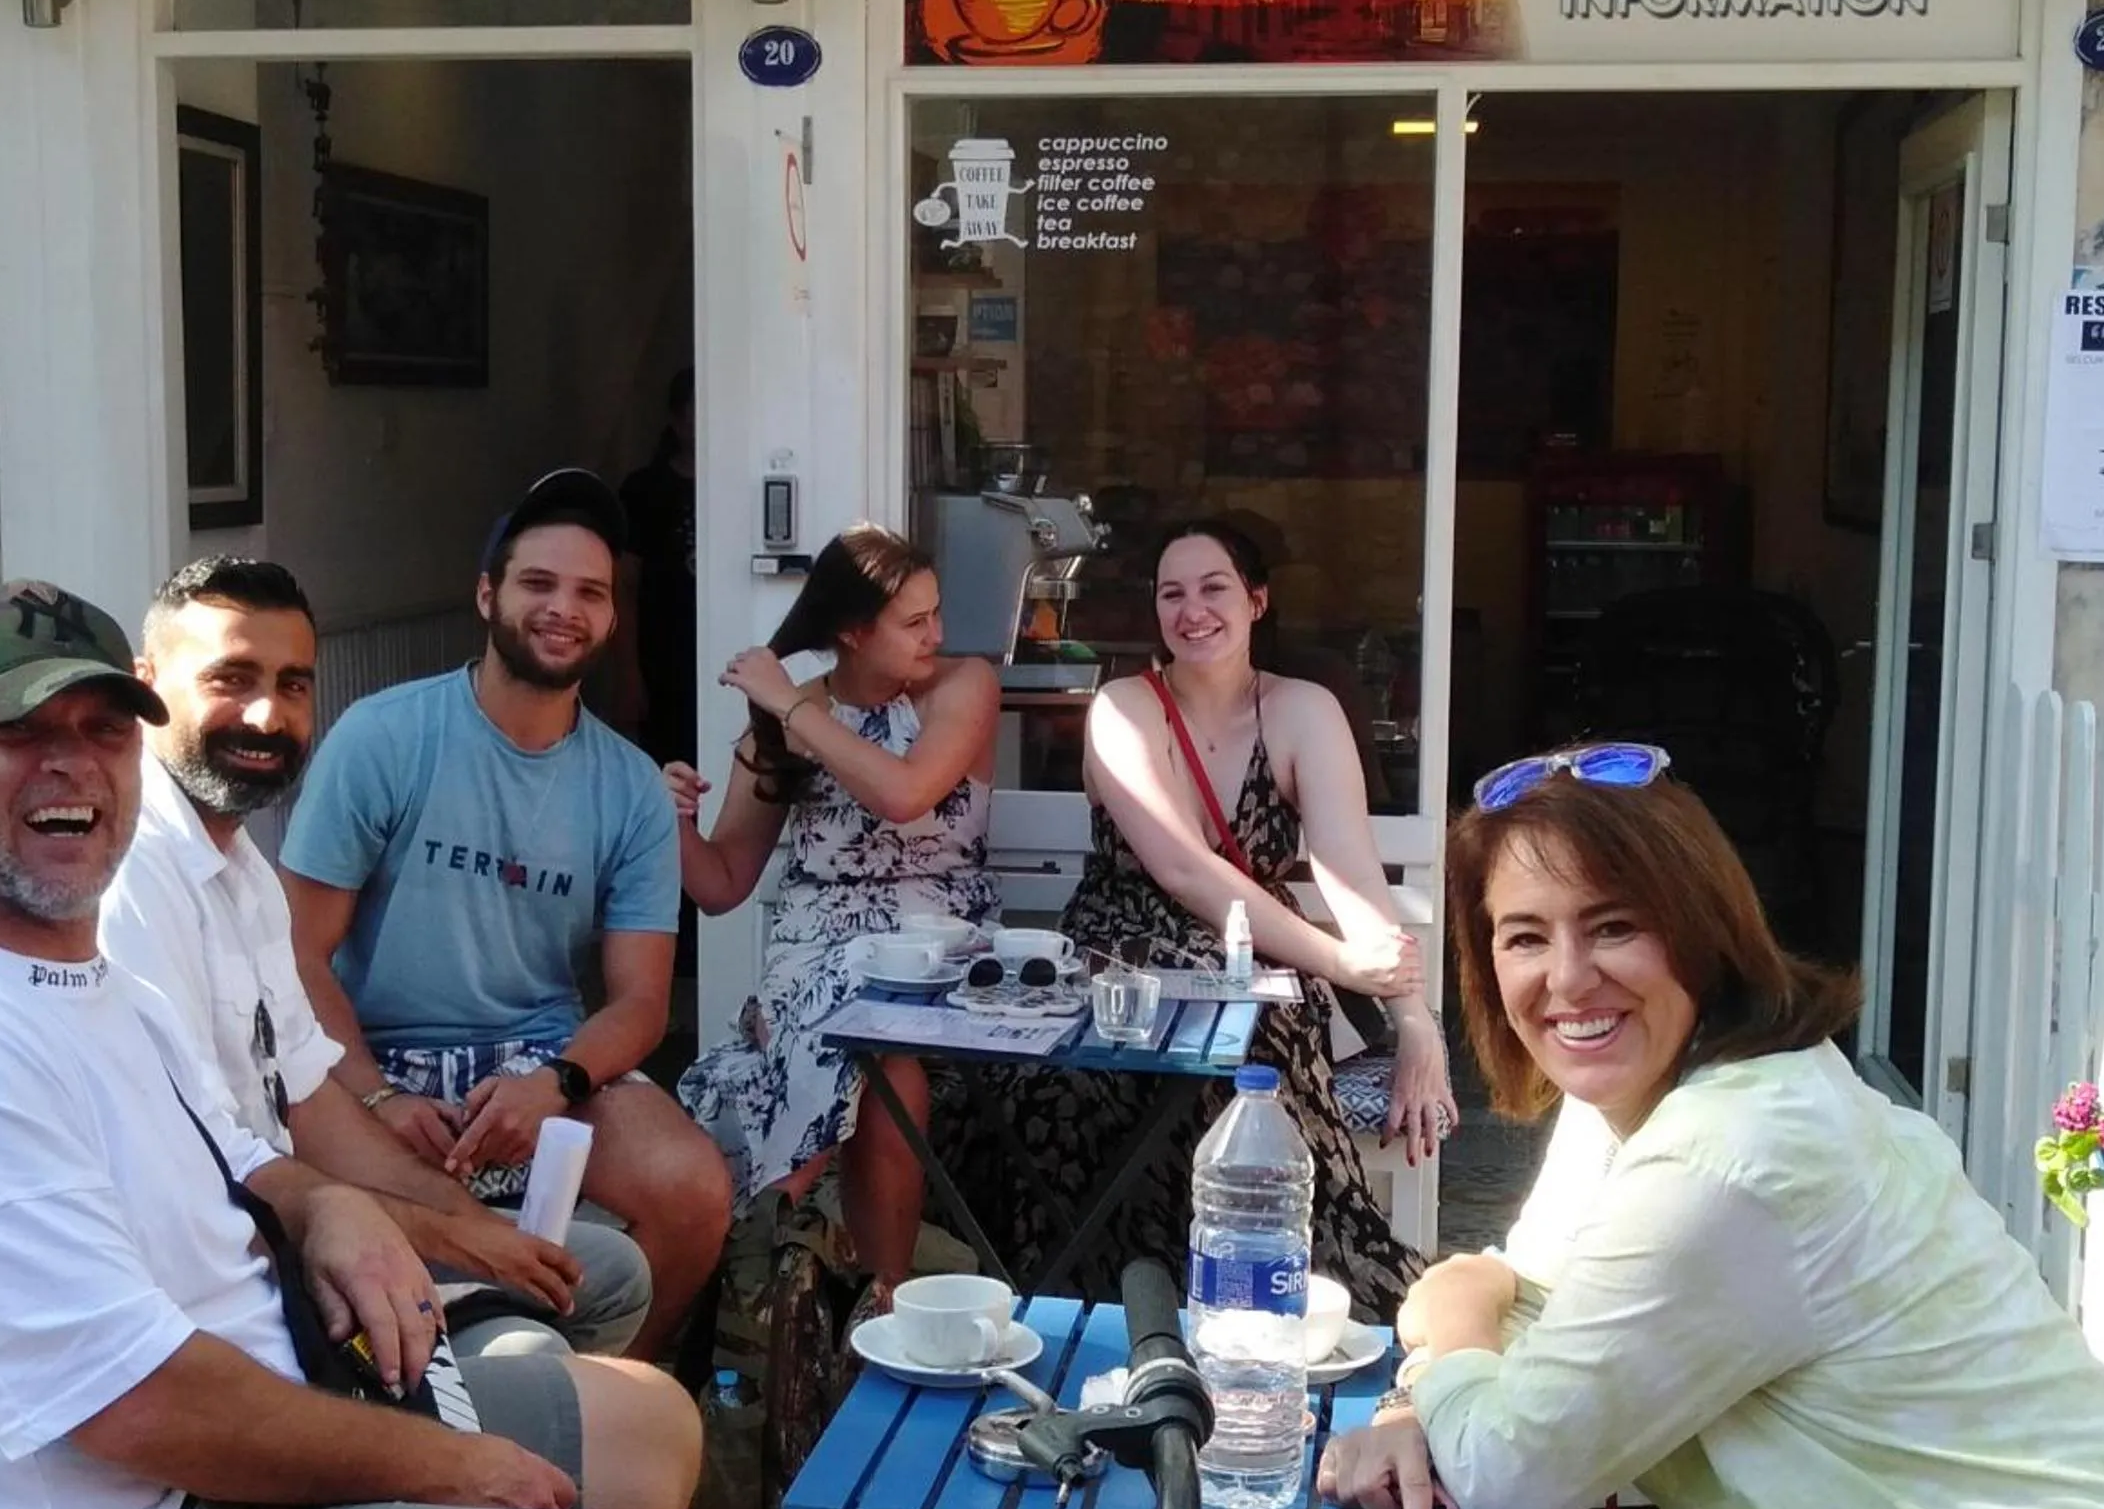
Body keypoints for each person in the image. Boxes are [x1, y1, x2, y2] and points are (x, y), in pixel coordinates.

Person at [0, 578, 789, 1509]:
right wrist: (444, 1469)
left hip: (247, 1421)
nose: (71, 766)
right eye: (16, 733)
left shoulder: (72, 961)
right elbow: (144, 1409)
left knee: (649, 1430)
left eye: (101, 732)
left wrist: (325, 1209)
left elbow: (248, 1150)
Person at [1317, 744, 2104, 1509]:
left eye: (1612, 926)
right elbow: (1532, 1300)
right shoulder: (1652, 1096)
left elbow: (1508, 1454)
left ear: (1701, 930)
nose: (1565, 978)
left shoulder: (1733, 1153)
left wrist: (1445, 1328)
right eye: (1521, 937)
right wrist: (1419, 1395)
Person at [102, 555, 652, 1358]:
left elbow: (309, 1098)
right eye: (232, 678)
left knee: (602, 1271)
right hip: (241, 1281)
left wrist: (468, 1226)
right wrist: (452, 1239)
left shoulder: (241, 866)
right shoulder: (130, 884)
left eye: (292, 684)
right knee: (563, 1354)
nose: (265, 715)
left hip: (304, 1217)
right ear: (145, 685)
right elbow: (215, 1177)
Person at [938, 518, 1451, 1315]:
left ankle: (1257, 1305)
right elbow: (1180, 867)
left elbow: (1348, 871)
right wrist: (1340, 964)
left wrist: (1412, 1018)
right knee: (1072, 1092)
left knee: (1250, 1065)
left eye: (1214, 588)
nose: (1192, 610)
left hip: (1260, 959)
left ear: (1255, 601)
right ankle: (1095, 1315)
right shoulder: (1123, 706)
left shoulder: (1304, 709)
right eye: (1171, 593)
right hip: (1120, 945)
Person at [279, 470, 732, 1363]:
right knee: (390, 1203)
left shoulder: (631, 786)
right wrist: (375, 1092)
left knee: (694, 1186)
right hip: (374, 1056)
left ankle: (603, 1406)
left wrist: (552, 1084)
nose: (563, 608)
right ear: (488, 595)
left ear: (608, 620)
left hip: (538, 1061)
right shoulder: (383, 737)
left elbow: (640, 1003)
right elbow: (295, 952)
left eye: (589, 593)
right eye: (538, 583)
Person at [669, 527, 999, 1302]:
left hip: (935, 939)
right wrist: (671, 822)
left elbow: (902, 792)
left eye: (936, 614)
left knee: (872, 1014)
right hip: (812, 950)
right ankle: (883, 1294)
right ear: (852, 632)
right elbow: (720, 884)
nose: (938, 634)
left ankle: (779, 1208)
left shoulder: (960, 687)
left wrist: (790, 706)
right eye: (914, 622)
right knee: (882, 1055)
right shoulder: (788, 719)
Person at [616, 368, 697, 763]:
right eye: (695, 410)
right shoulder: (643, 490)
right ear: (677, 420)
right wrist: (629, 674)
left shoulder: (738, 482)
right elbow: (624, 585)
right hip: (662, 659)